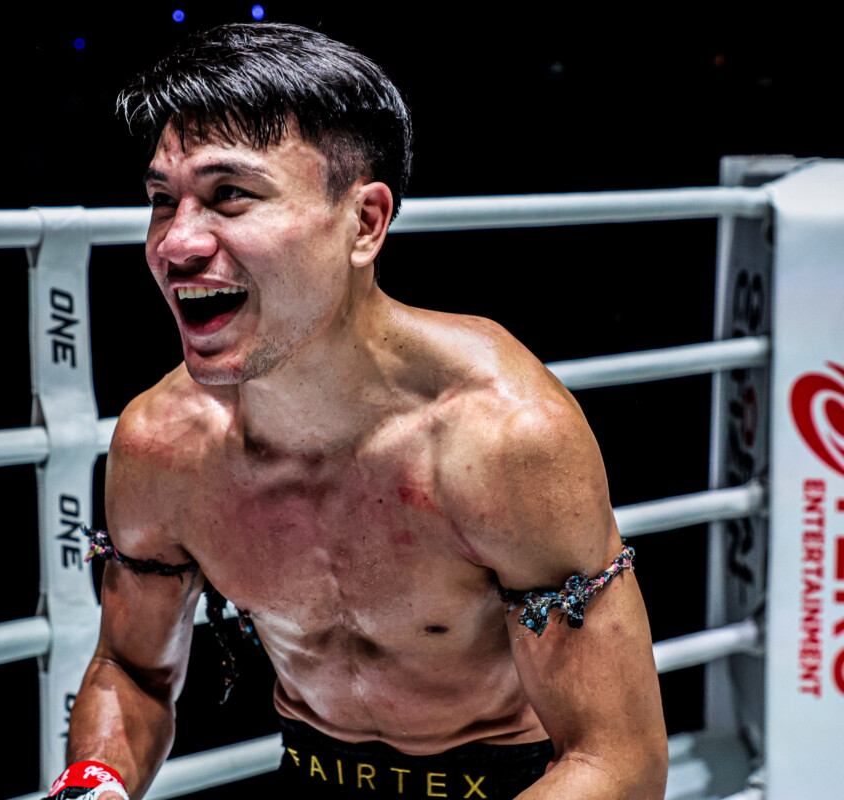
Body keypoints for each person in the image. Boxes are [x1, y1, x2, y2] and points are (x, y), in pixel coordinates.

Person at [49, 22, 667, 800]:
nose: (175, 246)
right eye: (161, 201)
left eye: (230, 195)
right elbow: (132, 671)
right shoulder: (166, 446)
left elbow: (618, 760)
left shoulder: (500, 437)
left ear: (365, 223)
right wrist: (94, 783)